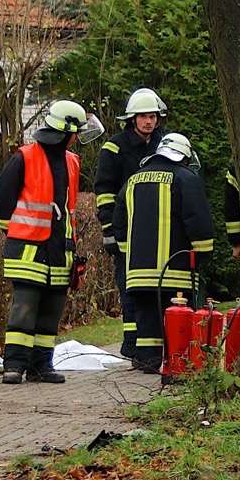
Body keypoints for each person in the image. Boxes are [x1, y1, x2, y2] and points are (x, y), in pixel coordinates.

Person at [0, 101, 105, 384]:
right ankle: (14, 366)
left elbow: (67, 209)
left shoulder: (72, 161)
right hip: (28, 248)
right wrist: (15, 232)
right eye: (76, 132)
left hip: (60, 248)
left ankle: (41, 366)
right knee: (24, 308)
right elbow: (3, 197)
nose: (78, 137)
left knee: (50, 312)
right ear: (64, 130)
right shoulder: (25, 156)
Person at [115, 133, 214, 374]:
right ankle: (176, 363)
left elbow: (119, 222)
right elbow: (198, 221)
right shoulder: (185, 178)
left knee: (146, 319)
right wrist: (203, 254)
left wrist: (129, 256)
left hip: (137, 273)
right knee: (175, 322)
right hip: (175, 272)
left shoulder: (132, 180)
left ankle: (148, 362)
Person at [95, 88, 168, 359]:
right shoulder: (114, 148)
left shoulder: (163, 145)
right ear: (132, 119)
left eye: (152, 116)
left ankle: (154, 345)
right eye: (143, 117)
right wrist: (108, 230)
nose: (148, 121)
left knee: (155, 288)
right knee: (129, 288)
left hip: (157, 232)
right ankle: (131, 344)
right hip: (125, 231)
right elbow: (104, 190)